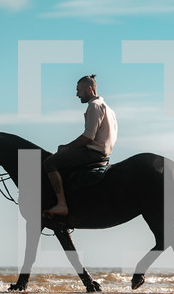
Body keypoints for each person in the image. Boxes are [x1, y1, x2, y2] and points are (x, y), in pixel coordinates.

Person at [43, 74, 118, 217]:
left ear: (89, 89)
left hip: (92, 153)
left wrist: (67, 147)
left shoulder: (94, 106)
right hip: (104, 153)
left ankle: (61, 204)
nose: (77, 95)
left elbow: (88, 137)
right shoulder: (108, 108)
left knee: (50, 162)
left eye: (79, 90)